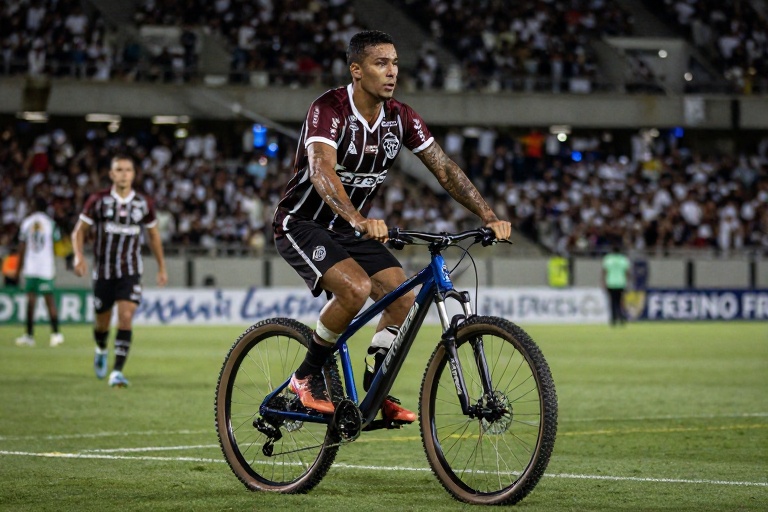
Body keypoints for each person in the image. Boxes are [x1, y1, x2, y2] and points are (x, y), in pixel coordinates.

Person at [272, 30, 511, 423]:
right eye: (381, 63)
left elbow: (445, 169)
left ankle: (375, 386)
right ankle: (305, 377)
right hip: (302, 223)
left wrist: (488, 216)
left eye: (395, 63)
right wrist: (359, 219)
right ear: (357, 70)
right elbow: (320, 169)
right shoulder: (329, 108)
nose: (392, 72)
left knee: (403, 298)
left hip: (351, 228)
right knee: (355, 288)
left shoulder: (401, 117)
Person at [71, 154, 168, 387]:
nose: (124, 174)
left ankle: (116, 372)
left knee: (125, 317)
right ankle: (101, 348)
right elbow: (79, 231)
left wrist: (161, 267)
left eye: (128, 170)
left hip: (130, 271)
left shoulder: (143, 203)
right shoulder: (98, 200)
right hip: (103, 272)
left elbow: (153, 236)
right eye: (119, 170)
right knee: (101, 324)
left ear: (133, 175)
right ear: (111, 174)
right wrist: (78, 255)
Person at [14, 198, 64, 347]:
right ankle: (56, 334)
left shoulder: (27, 223)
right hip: (46, 268)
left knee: (31, 302)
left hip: (31, 267)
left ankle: (29, 335)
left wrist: (18, 269)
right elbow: (57, 243)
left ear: (34, 206)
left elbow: (22, 247)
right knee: (50, 301)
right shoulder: (50, 223)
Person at [602, 245, 631, 326]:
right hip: (621, 283)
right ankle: (621, 318)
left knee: (612, 302)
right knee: (621, 301)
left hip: (611, 283)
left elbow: (604, 272)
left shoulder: (608, 259)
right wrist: (628, 282)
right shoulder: (623, 259)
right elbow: (627, 272)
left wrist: (603, 283)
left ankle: (613, 319)